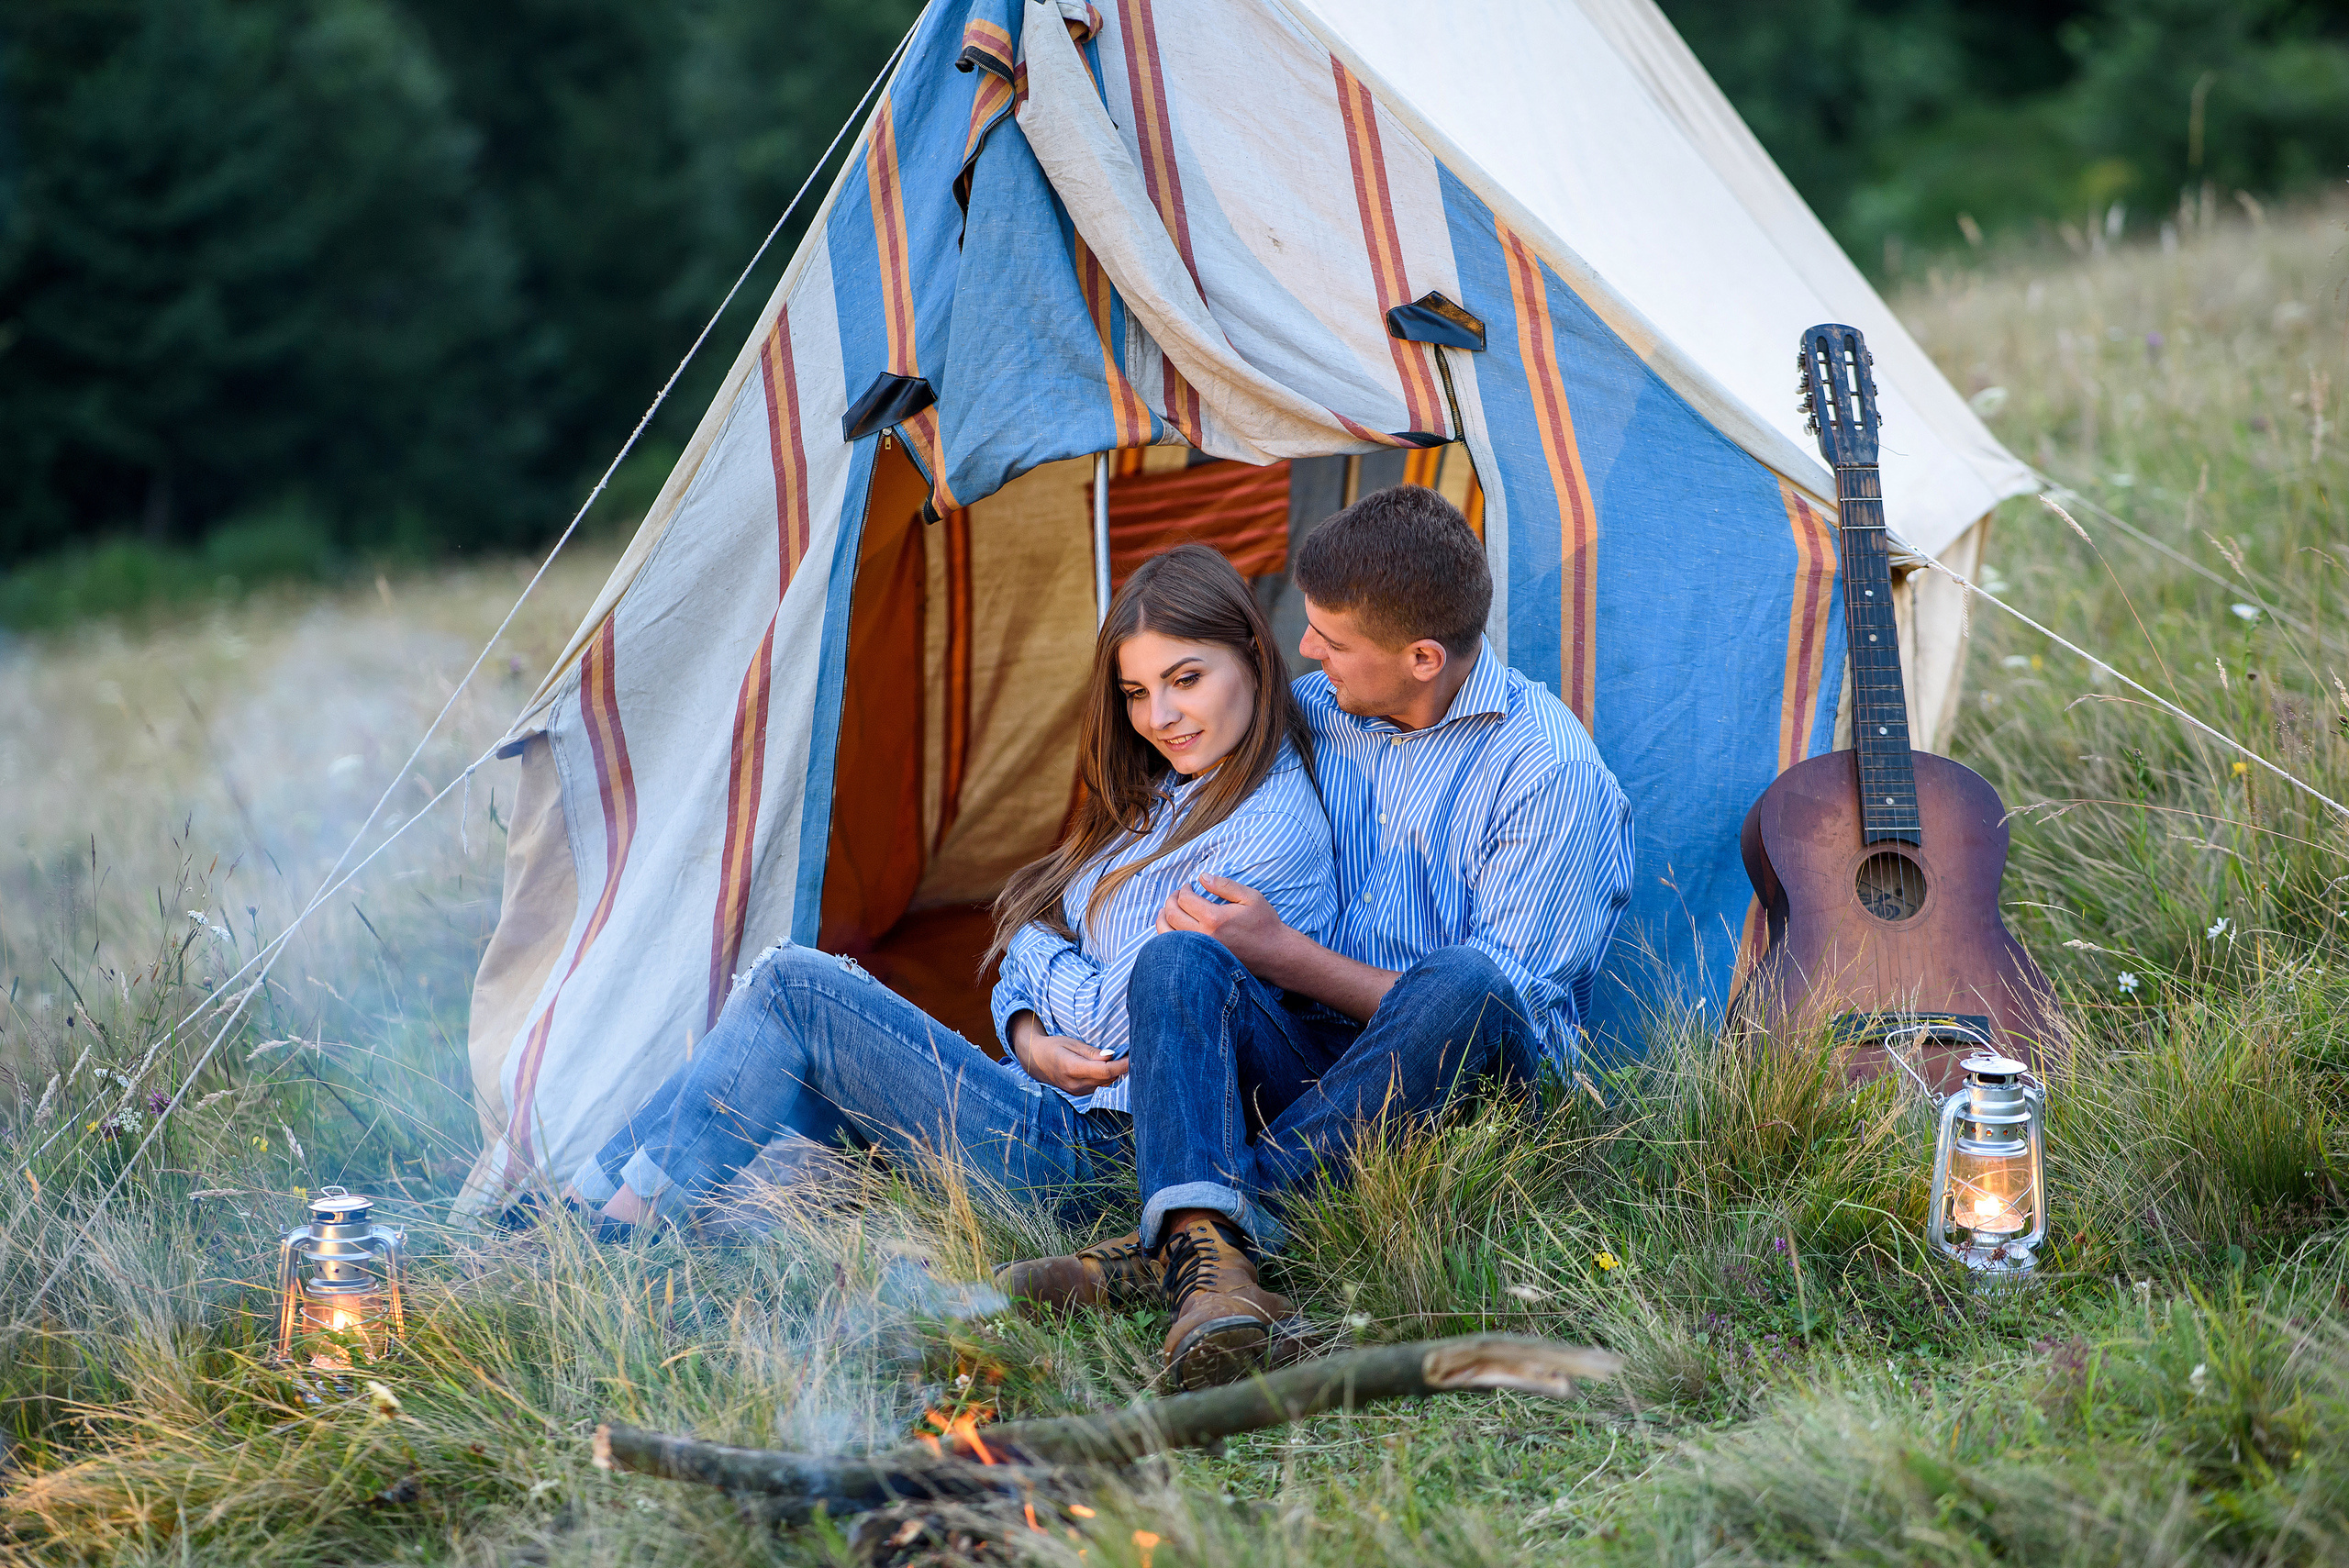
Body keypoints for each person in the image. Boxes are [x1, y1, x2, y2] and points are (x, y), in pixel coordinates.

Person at [999, 485, 1635, 1389]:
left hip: (1461, 1084)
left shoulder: (1548, 775)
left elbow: (1508, 1018)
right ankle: (1208, 1244)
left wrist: (1283, 952)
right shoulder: (1317, 705)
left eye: (1330, 638)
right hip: (1312, 1065)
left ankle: (1191, 1236)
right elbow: (1128, 846)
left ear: (1420, 656)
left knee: (1466, 977)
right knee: (1181, 955)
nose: (1303, 648)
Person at [564, 544, 1336, 1234]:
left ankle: (621, 1232)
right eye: (1136, 692)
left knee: (796, 990)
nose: (1159, 717)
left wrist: (1038, 960)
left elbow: (1114, 1020)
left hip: (1101, 1163)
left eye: (1185, 679)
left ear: (1252, 656)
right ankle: (585, 1206)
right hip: (1040, 1105)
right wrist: (1031, 1031)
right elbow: (1026, 955)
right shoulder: (1170, 794)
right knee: (785, 1029)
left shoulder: (1264, 830)